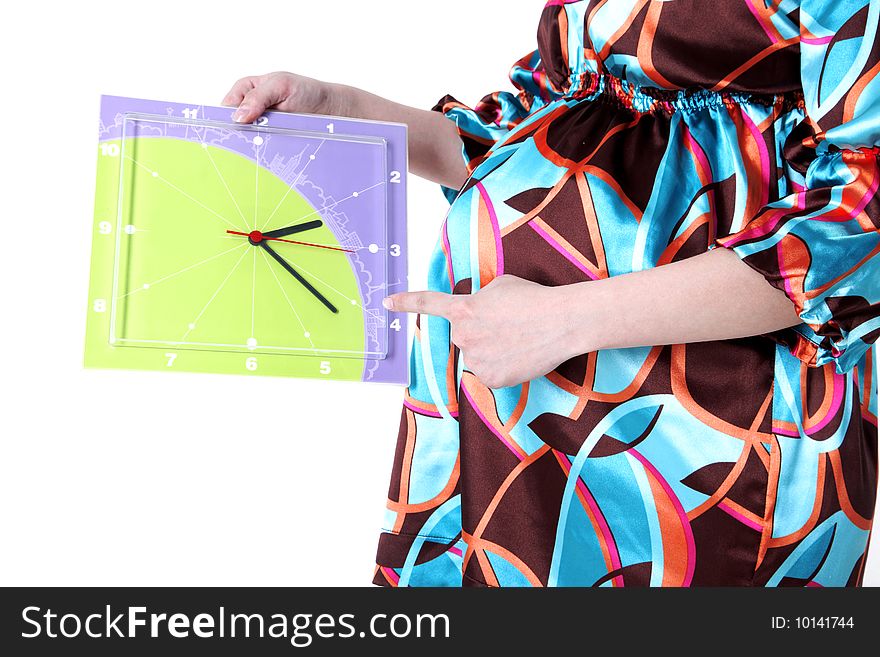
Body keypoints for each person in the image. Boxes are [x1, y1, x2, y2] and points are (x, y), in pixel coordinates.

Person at [225, 0, 880, 586]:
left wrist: (564, 321)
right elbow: (530, 128)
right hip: (509, 415)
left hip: (701, 434)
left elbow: (861, 224)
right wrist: (343, 111)